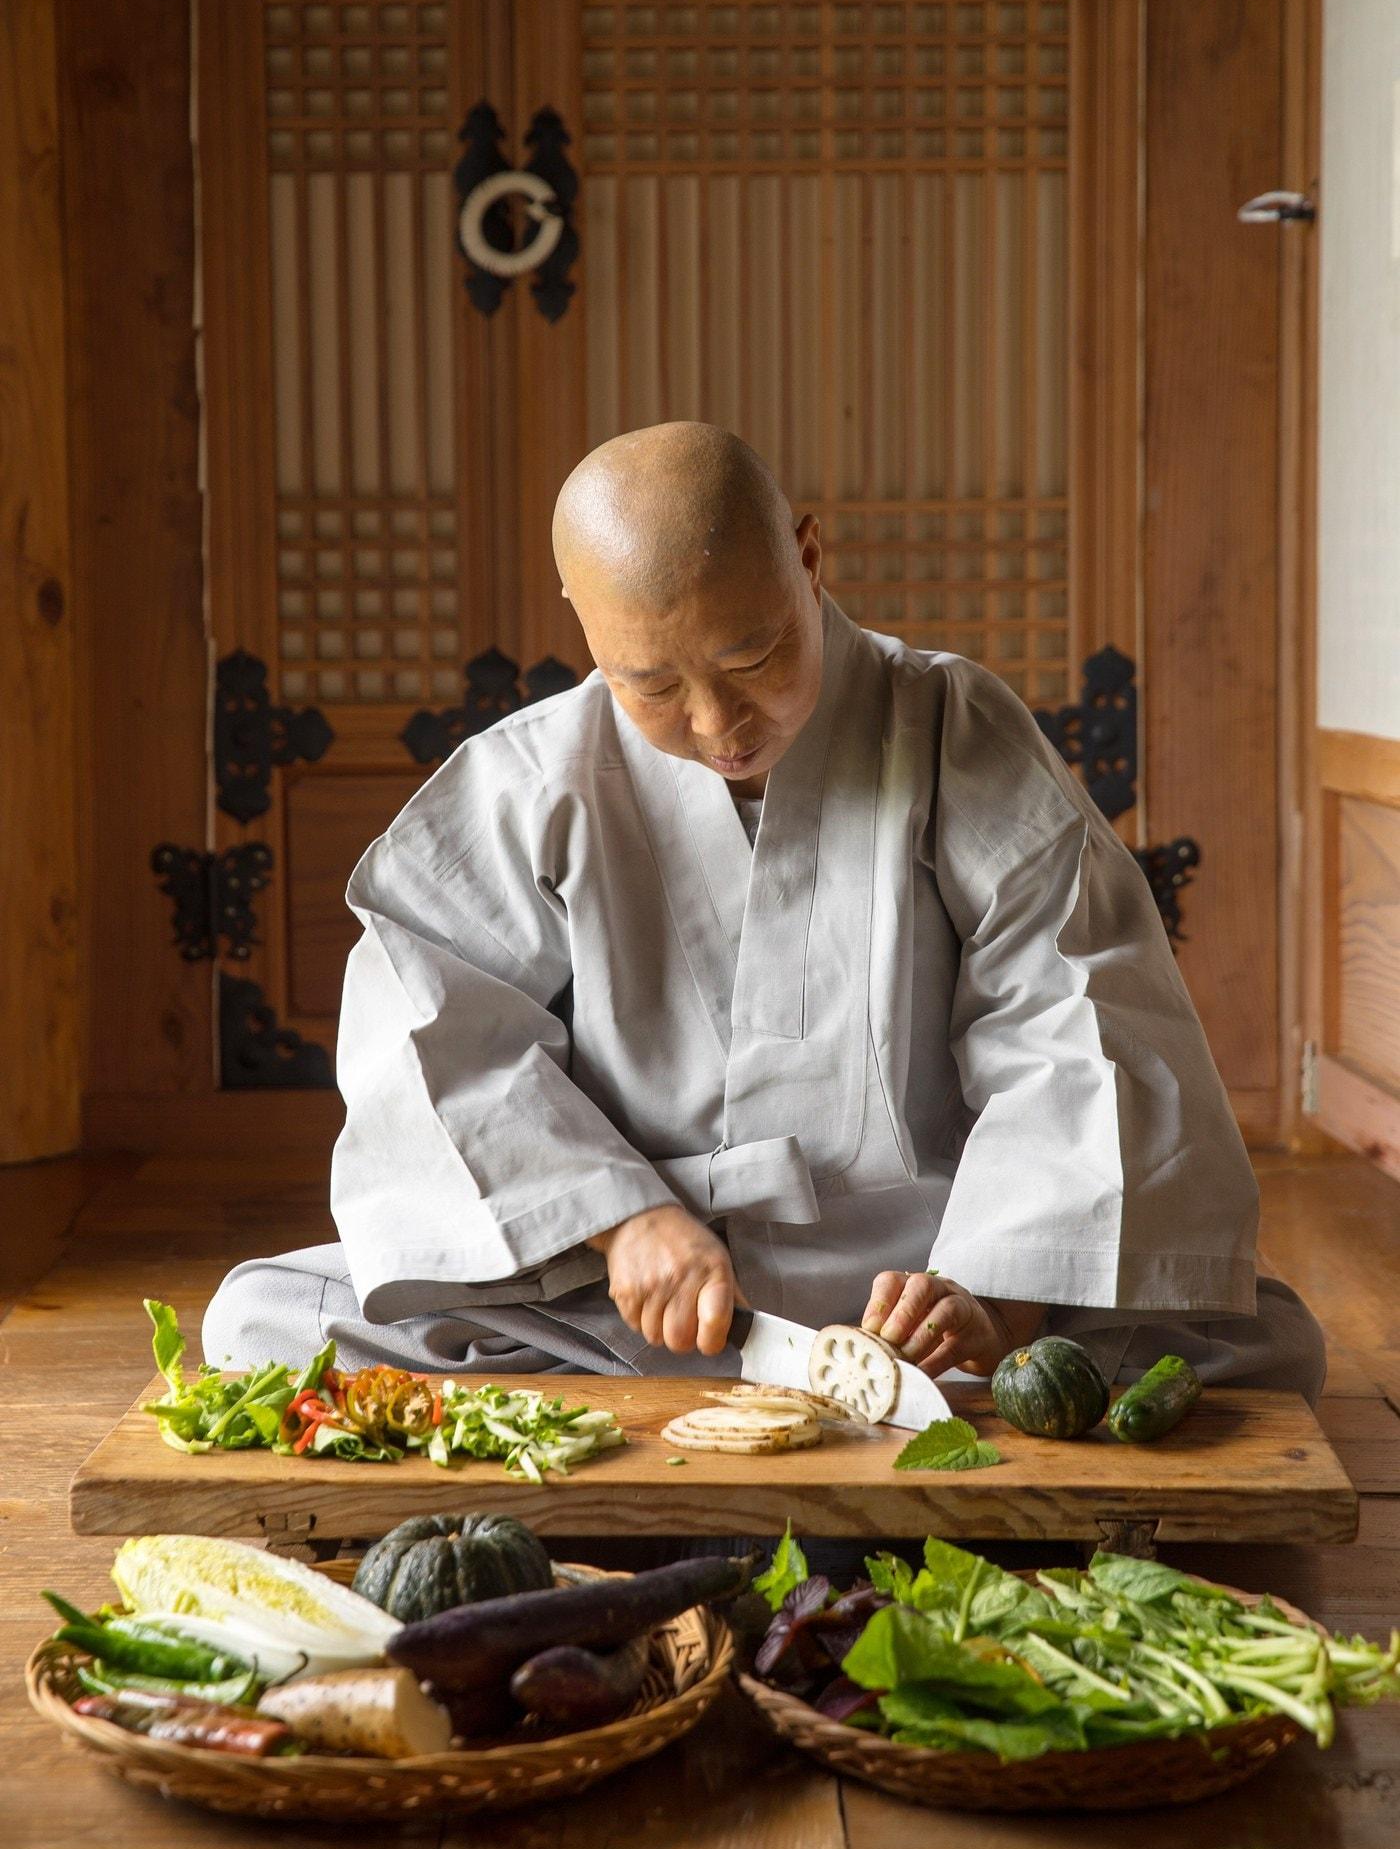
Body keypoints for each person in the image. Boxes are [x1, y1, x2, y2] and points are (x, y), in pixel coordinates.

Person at [204, 423, 1325, 1402]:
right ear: (585, 628)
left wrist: (1000, 1299)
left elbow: (1078, 1022)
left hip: (929, 1273)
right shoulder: (535, 774)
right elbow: (427, 1020)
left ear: (808, 554)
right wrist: (616, 1215)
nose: (714, 721)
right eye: (649, 684)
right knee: (262, 1322)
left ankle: (900, 1369)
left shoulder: (948, 728)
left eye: (752, 655)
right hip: (638, 1288)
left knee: (1257, 1345)